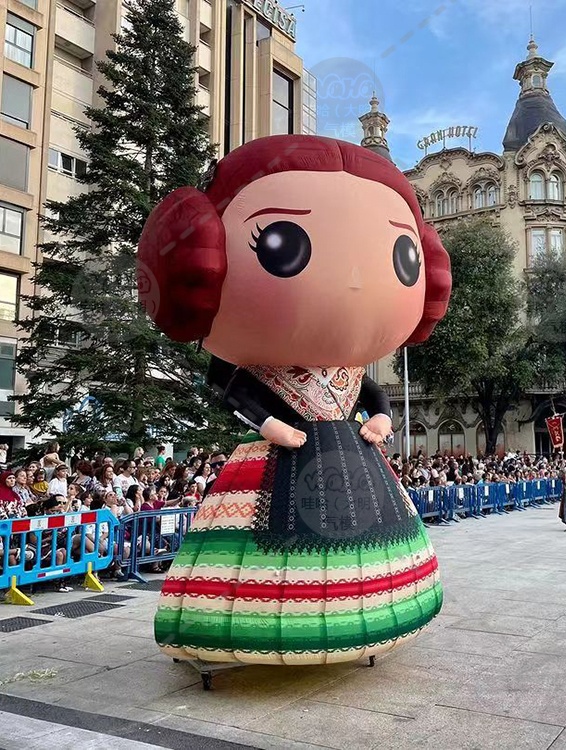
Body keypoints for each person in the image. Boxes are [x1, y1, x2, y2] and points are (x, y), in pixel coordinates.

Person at [138, 134, 451, 665]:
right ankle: (250, 627)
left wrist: (381, 417)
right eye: (279, 242)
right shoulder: (253, 364)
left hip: (352, 458)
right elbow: (232, 388)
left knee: (367, 539)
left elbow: (373, 392)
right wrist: (267, 424)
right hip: (275, 461)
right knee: (262, 545)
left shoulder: (351, 370)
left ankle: (375, 614)